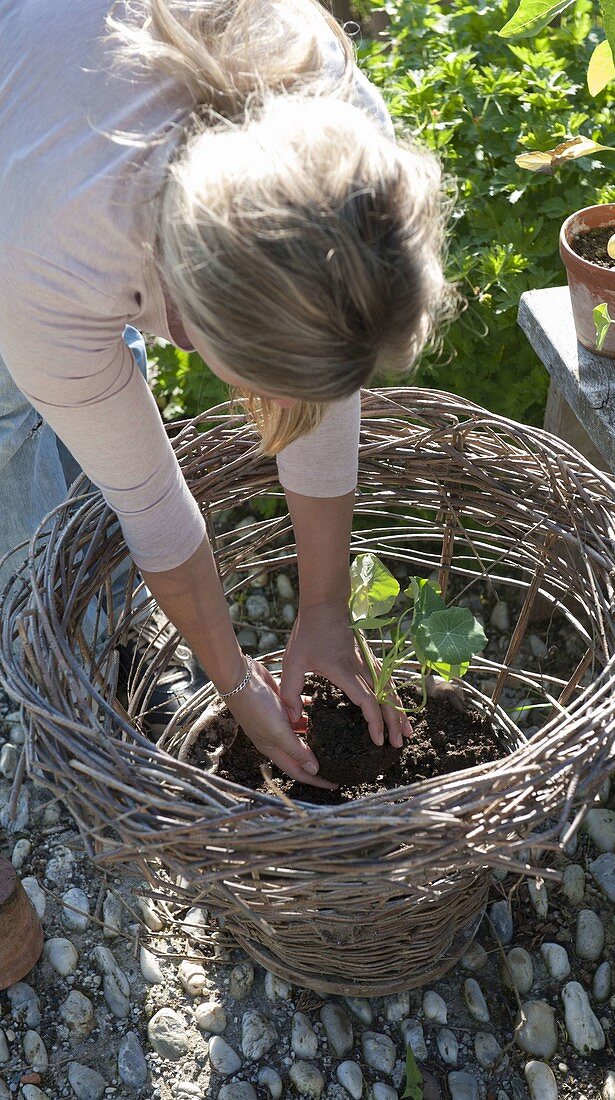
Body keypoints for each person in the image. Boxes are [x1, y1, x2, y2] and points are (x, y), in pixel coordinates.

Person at [0, 0, 460, 789]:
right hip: (29, 177)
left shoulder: (343, 150)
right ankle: (62, 651)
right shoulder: (49, 253)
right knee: (17, 426)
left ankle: (121, 628)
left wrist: (325, 608)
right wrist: (235, 680)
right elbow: (151, 502)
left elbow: (317, 354)